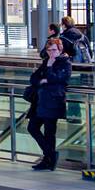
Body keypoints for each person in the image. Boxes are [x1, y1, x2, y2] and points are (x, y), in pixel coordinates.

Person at [26, 37, 70, 170]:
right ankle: (50, 154)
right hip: (40, 101)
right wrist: (43, 80)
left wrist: (49, 69)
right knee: (32, 127)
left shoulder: (65, 63)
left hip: (53, 101)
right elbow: (33, 78)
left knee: (49, 132)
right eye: (49, 50)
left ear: (60, 49)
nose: (51, 53)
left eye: (54, 50)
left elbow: (60, 79)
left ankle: (48, 159)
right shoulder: (46, 61)